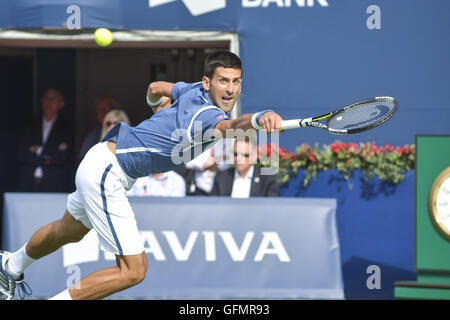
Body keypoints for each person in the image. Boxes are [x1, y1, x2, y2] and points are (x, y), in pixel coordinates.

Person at [0, 50, 283, 300]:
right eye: (223, 81)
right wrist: (260, 118)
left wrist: (153, 108)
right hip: (109, 172)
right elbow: (234, 125)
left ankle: (10, 265)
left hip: (100, 159)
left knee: (69, 231)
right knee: (133, 272)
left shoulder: (192, 89)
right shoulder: (207, 115)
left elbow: (155, 87)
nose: (231, 89)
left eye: (236, 81)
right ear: (208, 82)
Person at [16, 88, 73, 193]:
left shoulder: (66, 128)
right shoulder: (31, 125)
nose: (48, 103)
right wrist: (49, 155)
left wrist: (38, 151)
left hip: (54, 184)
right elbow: (22, 153)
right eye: (46, 98)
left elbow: (62, 157)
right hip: (29, 184)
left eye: (53, 99)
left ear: (61, 104)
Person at [211, 137, 279, 197]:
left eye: (244, 155)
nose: (238, 158)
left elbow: (271, 206)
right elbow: (214, 205)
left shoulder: (267, 179)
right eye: (235, 154)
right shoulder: (222, 177)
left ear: (254, 157)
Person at [77, 95, 120, 163]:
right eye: (102, 110)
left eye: (109, 109)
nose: (106, 113)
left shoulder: (130, 134)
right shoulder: (92, 137)